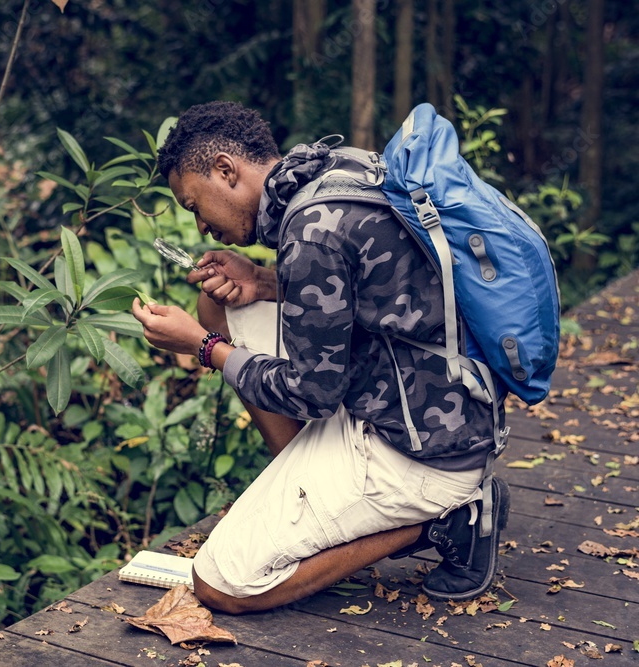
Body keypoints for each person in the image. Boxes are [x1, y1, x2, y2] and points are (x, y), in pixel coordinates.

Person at [130, 101, 510, 614]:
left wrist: (201, 346)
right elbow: (373, 292)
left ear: (226, 169)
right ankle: (309, 485)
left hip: (422, 452)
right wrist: (264, 281)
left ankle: (449, 519)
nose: (199, 226)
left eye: (195, 206)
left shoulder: (310, 231)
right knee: (215, 305)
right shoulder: (336, 168)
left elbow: (311, 394)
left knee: (222, 584)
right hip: (444, 402)